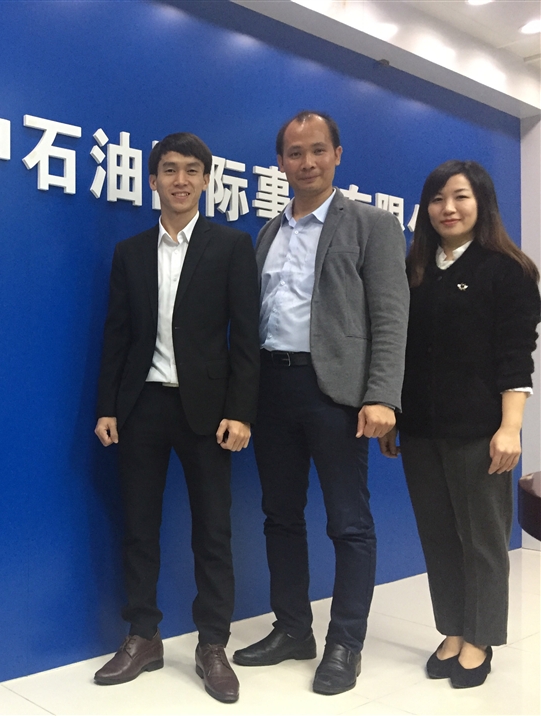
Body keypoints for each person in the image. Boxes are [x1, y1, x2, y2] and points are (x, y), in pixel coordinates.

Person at [232, 111, 409, 695]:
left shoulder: (371, 224)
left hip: (335, 393)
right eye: (294, 153)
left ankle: (345, 643)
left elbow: (390, 316)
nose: (306, 162)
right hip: (272, 389)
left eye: (317, 150)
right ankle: (292, 629)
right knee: (280, 517)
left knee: (348, 523)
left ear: (337, 155)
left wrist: (382, 395)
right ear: (280, 163)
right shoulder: (268, 231)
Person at [93, 132, 260, 703]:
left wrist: (241, 412)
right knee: (139, 527)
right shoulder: (130, 252)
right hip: (141, 407)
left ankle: (212, 644)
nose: (180, 179)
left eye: (191, 169)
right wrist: (108, 406)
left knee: (212, 531)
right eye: (169, 169)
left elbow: (247, 338)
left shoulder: (231, 246)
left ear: (206, 180)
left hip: (208, 413)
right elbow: (116, 335)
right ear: (153, 180)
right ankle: (143, 635)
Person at [379, 160, 540, 689]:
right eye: (437, 199)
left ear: (482, 203)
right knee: (439, 537)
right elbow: (398, 350)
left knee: (483, 541)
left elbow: (516, 357)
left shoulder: (509, 270)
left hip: (480, 431)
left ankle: (481, 638)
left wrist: (511, 428)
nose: (447, 208)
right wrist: (392, 414)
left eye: (460, 197)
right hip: (421, 429)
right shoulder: (415, 270)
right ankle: (451, 629)